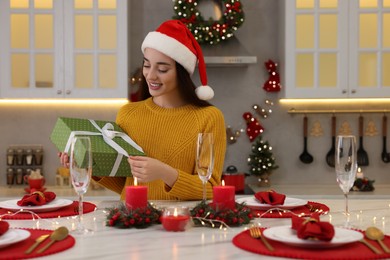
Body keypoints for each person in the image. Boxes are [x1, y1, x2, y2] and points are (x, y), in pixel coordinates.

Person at [60, 20, 226, 201]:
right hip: (133, 221)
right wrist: (86, 166)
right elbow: (125, 184)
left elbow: (210, 189)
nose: (151, 75)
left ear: (182, 73)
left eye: (162, 69)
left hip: (180, 224)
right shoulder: (128, 113)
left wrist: (165, 173)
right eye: (147, 65)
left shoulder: (208, 117)